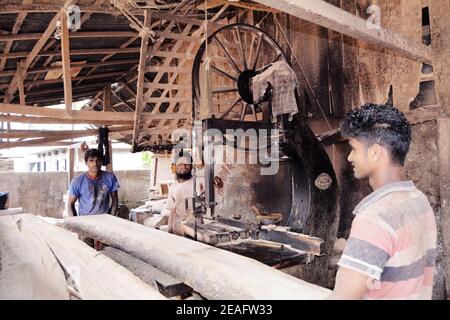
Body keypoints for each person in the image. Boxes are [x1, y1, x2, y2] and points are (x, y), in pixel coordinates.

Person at [329, 103, 437, 300]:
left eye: (353, 148)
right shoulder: (419, 200)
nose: (350, 157)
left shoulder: (373, 218)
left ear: (376, 152)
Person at [69, 148, 119, 217]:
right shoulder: (78, 181)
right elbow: (70, 203)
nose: (95, 164)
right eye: (91, 161)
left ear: (101, 161)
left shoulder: (110, 177)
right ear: (86, 162)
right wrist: (74, 221)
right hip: (85, 219)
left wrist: (112, 217)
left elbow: (115, 199)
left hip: (104, 219)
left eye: (98, 160)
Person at [167, 150, 204, 236]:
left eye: (187, 163)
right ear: (175, 166)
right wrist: (169, 232)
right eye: (180, 164)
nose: (183, 166)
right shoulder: (173, 187)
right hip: (178, 230)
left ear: (191, 166)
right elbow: (172, 212)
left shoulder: (199, 181)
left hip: (197, 229)